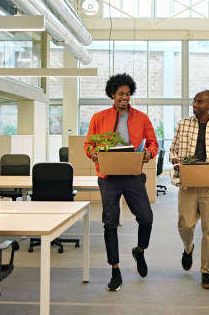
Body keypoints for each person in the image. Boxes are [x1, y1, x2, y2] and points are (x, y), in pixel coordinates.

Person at [84, 73, 158, 291]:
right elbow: (88, 144)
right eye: (120, 94)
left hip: (133, 174)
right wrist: (93, 152)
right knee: (110, 222)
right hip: (109, 177)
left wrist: (149, 153)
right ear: (112, 95)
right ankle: (115, 269)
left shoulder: (142, 118)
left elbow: (153, 142)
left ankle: (140, 251)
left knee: (146, 218)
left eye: (127, 94)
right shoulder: (99, 118)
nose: (124, 97)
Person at [169, 90, 209, 289]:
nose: (195, 104)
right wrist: (175, 160)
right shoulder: (183, 124)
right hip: (188, 180)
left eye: (199, 101)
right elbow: (173, 150)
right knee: (184, 225)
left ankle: (206, 271)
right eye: (194, 100)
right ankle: (188, 248)